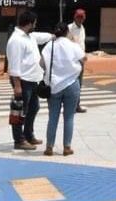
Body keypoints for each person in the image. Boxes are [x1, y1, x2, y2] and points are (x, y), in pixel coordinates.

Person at [5, 10, 51, 150]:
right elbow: (14, 64)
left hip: (32, 80)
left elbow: (42, 37)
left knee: (33, 107)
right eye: (35, 23)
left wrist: (54, 36)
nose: (35, 26)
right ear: (29, 24)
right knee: (20, 110)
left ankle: (28, 135)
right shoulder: (16, 40)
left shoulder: (29, 36)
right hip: (22, 81)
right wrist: (17, 85)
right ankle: (19, 140)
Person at [41, 22, 86, 156]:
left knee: (53, 117)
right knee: (69, 117)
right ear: (67, 32)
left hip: (54, 86)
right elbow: (84, 59)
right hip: (72, 84)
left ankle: (49, 147)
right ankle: (67, 147)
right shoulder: (73, 46)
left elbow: (41, 64)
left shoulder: (50, 46)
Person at [67, 8, 88, 112]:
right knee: (71, 82)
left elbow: (81, 44)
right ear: (75, 17)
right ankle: (70, 104)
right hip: (72, 60)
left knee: (79, 83)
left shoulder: (82, 28)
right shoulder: (69, 28)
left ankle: (76, 105)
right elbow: (66, 44)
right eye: (79, 17)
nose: (80, 19)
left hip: (81, 60)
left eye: (82, 17)